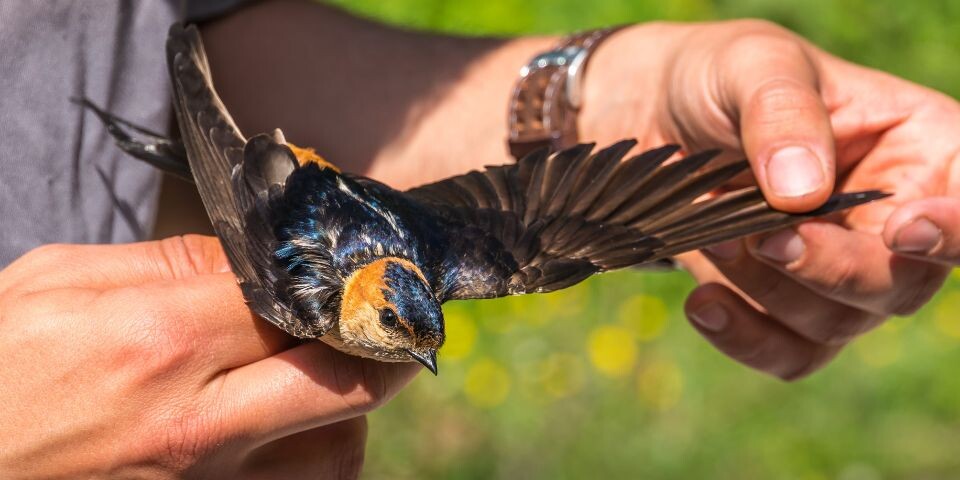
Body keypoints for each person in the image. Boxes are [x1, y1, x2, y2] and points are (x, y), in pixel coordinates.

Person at [1, 0, 957, 476]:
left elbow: (180, 28)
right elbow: (241, 166)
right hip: (279, 196)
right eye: (404, 333)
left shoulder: (457, 268)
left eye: (419, 335)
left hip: (303, 179)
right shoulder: (310, 290)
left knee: (541, 260)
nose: (419, 353)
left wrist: (617, 99)